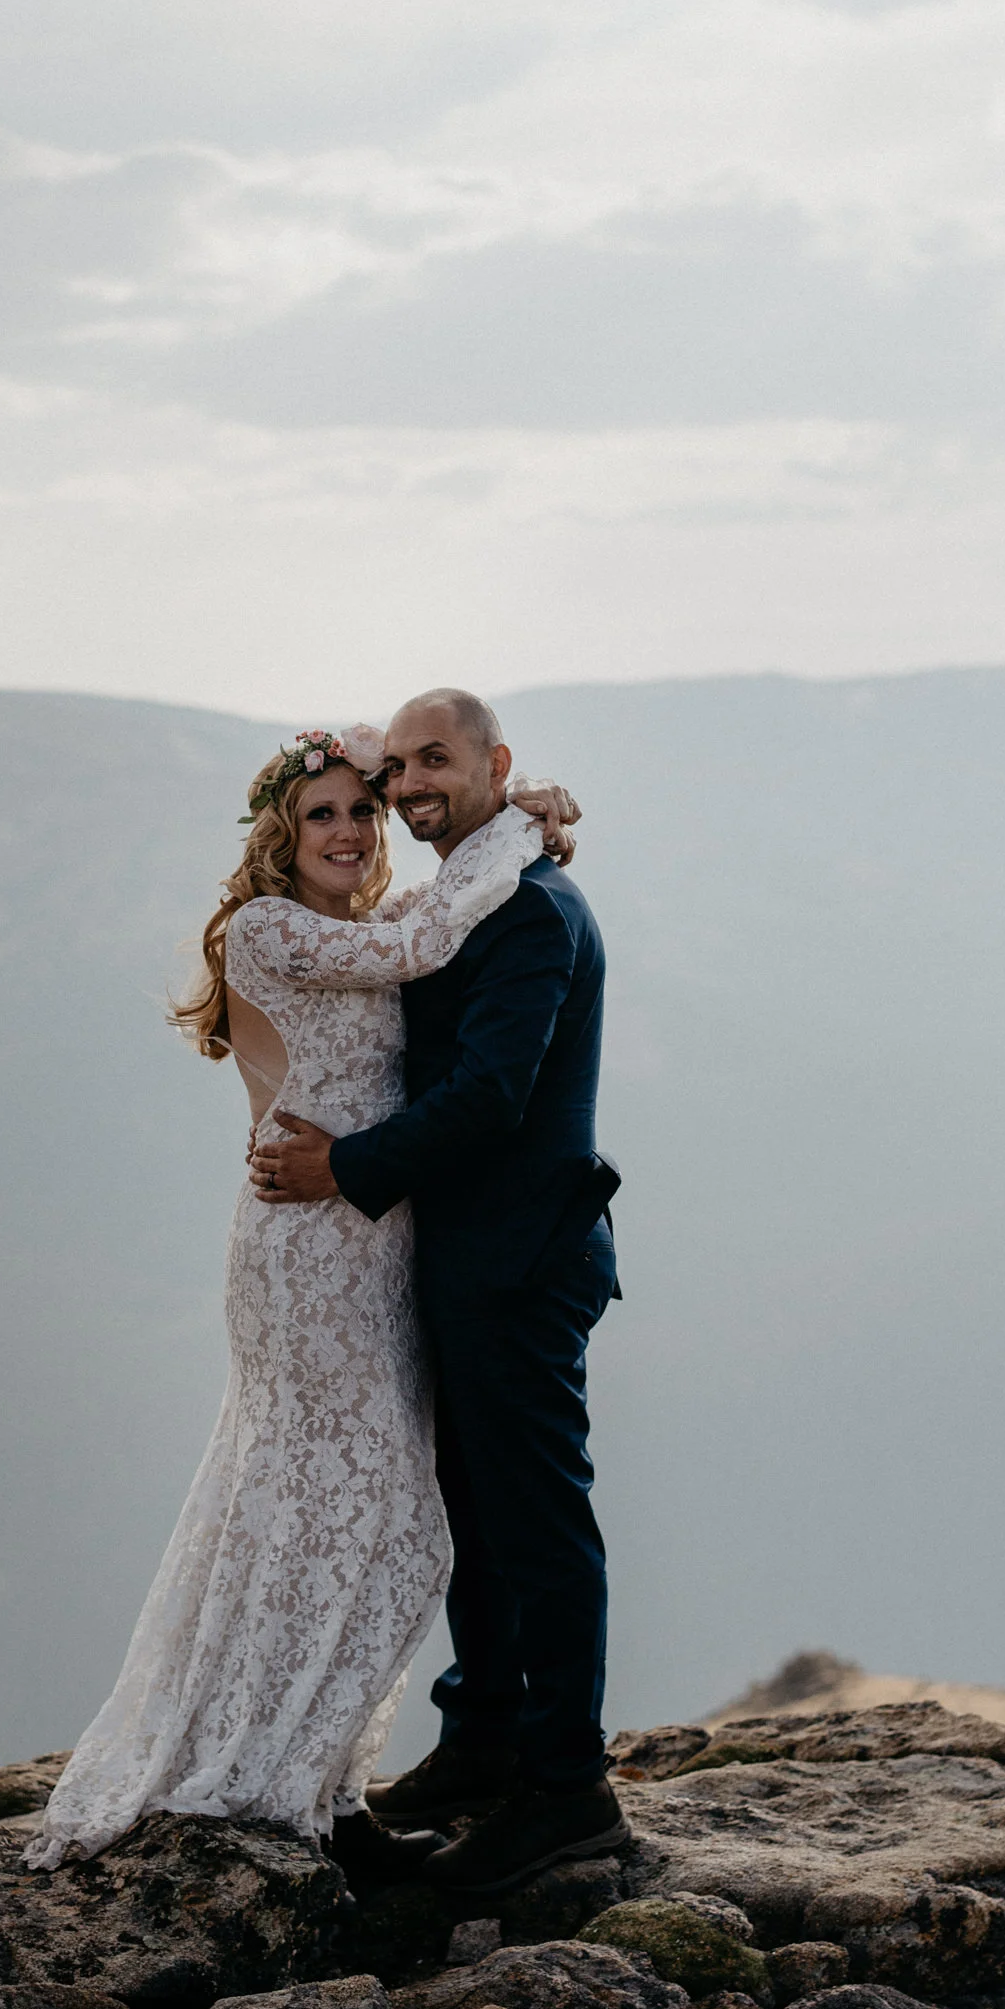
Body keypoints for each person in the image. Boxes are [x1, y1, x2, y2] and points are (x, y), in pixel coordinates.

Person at [25, 727, 575, 1882]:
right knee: (368, 1512)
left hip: (376, 1245)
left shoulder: (361, 932)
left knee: (325, 1507)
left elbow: (430, 920)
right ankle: (278, 1776)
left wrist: (516, 817)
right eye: (321, 813)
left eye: (362, 812)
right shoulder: (269, 930)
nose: (348, 831)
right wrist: (519, 825)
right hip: (309, 1250)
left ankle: (315, 1778)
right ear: (279, 833)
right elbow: (432, 934)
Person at [250, 689, 624, 1895]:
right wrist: (516, 813)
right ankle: (483, 1741)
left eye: (436, 760)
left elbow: (492, 1095)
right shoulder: (469, 891)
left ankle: (567, 1791)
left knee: (536, 1523)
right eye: (397, 766)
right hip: (463, 1259)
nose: (410, 784)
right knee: (477, 1515)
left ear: (494, 762)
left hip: (521, 1260)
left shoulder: (527, 911)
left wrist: (345, 1166)